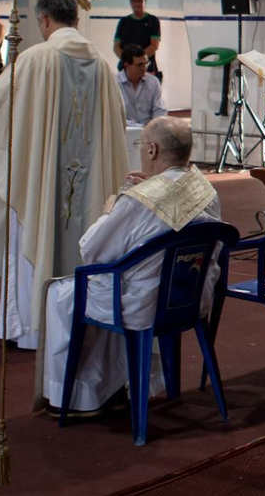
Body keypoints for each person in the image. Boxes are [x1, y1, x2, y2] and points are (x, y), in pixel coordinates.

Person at [0, 0, 130, 405]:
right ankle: (78, 320)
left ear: (43, 21)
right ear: (75, 18)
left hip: (42, 188)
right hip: (87, 188)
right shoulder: (101, 64)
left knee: (35, 236)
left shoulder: (36, 60)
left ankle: (33, 330)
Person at [41, 116, 222, 413]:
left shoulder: (138, 200)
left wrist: (111, 208)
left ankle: (75, 398)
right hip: (190, 298)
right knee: (119, 279)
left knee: (61, 293)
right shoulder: (206, 191)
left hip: (142, 304)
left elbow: (92, 250)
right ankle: (128, 383)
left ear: (151, 150)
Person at [114, 0, 162, 79]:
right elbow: (116, 47)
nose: (136, 4)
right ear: (130, 2)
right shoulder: (123, 22)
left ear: (145, 2)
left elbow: (154, 46)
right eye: (133, 1)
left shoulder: (153, 21)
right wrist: (129, 63)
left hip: (147, 71)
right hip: (126, 71)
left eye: (139, 1)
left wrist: (138, 62)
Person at [117, 44, 168, 126]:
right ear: (127, 65)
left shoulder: (153, 82)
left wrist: (154, 126)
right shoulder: (115, 84)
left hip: (151, 131)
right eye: (140, 65)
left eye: (146, 63)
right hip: (126, 132)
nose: (144, 68)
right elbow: (115, 117)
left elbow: (159, 110)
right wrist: (140, 127)